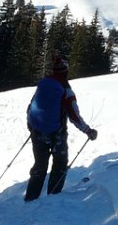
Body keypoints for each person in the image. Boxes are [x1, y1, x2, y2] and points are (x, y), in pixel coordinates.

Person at [24, 55, 97, 201]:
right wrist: (88, 131)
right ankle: (53, 196)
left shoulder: (43, 83)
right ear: (66, 70)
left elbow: (31, 105)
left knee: (40, 165)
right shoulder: (66, 90)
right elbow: (74, 116)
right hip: (56, 133)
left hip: (37, 131)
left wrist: (31, 125)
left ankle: (31, 198)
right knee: (60, 163)